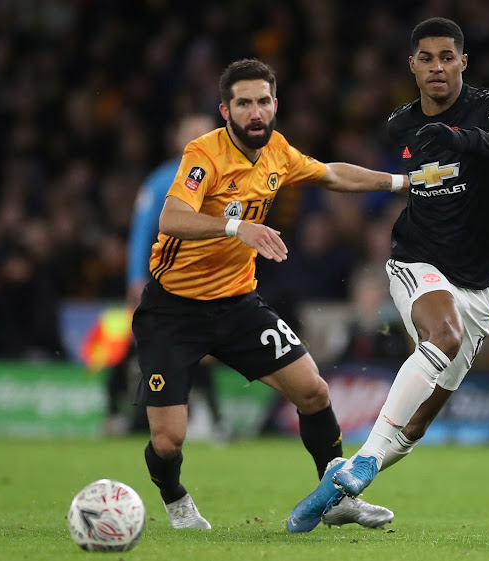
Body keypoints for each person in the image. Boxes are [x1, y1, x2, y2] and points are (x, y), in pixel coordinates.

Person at [132, 58, 408, 531]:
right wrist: (237, 227)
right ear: (226, 110)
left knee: (314, 390)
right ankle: (175, 497)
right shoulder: (204, 154)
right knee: (169, 441)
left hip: (237, 303)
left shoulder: (278, 151)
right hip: (173, 310)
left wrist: (402, 182)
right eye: (244, 104)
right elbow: (171, 219)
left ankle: (336, 494)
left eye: (263, 102)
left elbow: (332, 175)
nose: (255, 112)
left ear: (275, 105)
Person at [288, 17, 489, 531]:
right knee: (443, 335)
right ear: (412, 65)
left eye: (447, 56)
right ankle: (366, 462)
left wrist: (453, 136)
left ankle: (340, 486)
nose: (437, 66)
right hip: (419, 258)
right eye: (426, 58)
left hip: (483, 282)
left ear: (463, 61)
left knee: (416, 424)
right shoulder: (400, 124)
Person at [105, 114, 225, 436]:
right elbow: (142, 231)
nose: (197, 139)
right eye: (191, 134)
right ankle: (114, 412)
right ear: (178, 139)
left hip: (203, 283)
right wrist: (134, 277)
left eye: (204, 133)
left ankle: (215, 421)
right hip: (161, 282)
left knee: (202, 350)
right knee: (135, 344)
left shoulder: (224, 179)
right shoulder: (161, 181)